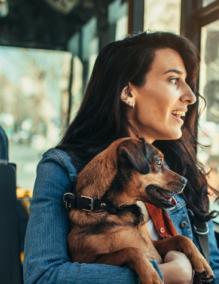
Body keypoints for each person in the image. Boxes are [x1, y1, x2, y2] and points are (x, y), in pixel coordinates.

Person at [23, 31, 219, 284]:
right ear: (128, 92)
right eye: (173, 80)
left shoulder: (182, 170)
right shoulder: (62, 169)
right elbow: (43, 277)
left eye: (188, 82)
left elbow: (213, 268)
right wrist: (168, 274)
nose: (191, 96)